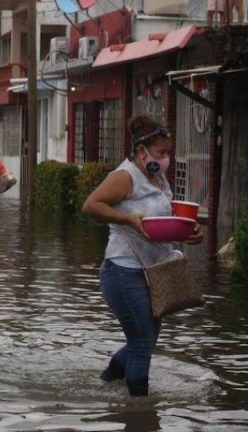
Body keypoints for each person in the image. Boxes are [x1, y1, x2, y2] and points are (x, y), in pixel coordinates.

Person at [82, 115, 204, 397]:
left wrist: (190, 231)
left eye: (168, 153)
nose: (166, 159)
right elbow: (91, 205)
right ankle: (140, 412)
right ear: (141, 151)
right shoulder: (125, 177)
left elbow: (164, 222)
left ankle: (107, 382)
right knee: (142, 343)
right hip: (124, 271)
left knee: (144, 341)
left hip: (153, 271)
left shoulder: (158, 178)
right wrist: (129, 220)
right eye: (161, 153)